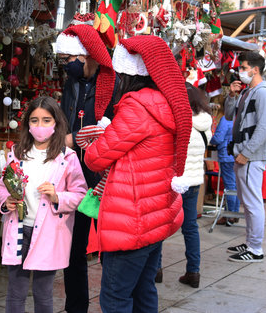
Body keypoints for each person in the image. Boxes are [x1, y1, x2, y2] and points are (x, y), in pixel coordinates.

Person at [84, 35, 192, 312]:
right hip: (154, 217)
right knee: (144, 292)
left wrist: (93, 142)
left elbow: (96, 158)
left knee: (115, 298)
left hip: (132, 222)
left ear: (127, 74)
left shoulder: (136, 108)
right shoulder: (162, 103)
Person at [0, 96, 88, 313]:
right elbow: (2, 186)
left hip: (49, 232)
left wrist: (58, 197)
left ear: (56, 123)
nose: (40, 126)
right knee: (15, 290)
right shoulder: (17, 153)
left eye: (46, 120)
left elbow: (80, 193)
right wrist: (5, 200)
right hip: (18, 228)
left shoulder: (67, 157)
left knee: (43, 291)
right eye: (35, 120)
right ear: (27, 124)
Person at [54, 24, 117, 313]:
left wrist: (78, 139)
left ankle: (115, 303)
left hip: (105, 176)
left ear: (87, 55)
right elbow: (66, 120)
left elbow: (116, 131)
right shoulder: (72, 84)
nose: (66, 66)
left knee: (111, 247)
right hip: (76, 175)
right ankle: (75, 307)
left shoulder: (113, 84)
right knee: (74, 247)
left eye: (68, 60)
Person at [224, 51, 266, 263]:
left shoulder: (263, 93)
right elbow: (230, 116)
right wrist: (232, 96)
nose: (240, 71)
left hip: (251, 156)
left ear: (255, 69)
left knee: (253, 202)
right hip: (242, 153)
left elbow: (265, 127)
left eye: (243, 67)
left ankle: (255, 248)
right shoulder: (248, 92)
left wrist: (246, 153)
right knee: (247, 202)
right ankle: (250, 242)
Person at [173, 82, 212, 288]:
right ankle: (193, 271)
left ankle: (155, 271)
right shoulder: (205, 124)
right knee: (190, 227)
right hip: (194, 181)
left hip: (174, 181)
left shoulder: (179, 122)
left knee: (160, 225)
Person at [210, 110, 240, 226]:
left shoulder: (226, 118)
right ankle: (234, 213)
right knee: (235, 186)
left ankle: (229, 215)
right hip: (237, 155)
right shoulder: (239, 117)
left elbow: (218, 138)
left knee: (230, 186)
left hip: (226, 155)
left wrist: (210, 140)